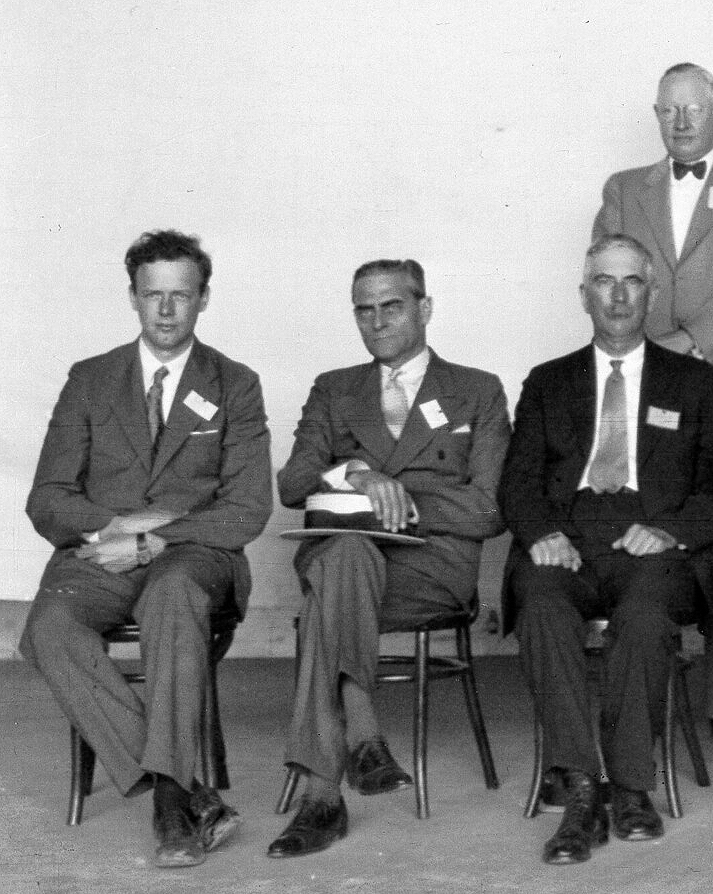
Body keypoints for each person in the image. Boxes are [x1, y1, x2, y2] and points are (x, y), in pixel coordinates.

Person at [22, 230, 271, 868]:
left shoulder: (235, 383)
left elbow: (246, 510)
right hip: (101, 556)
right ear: (133, 298)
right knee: (49, 629)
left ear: (204, 299)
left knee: (172, 593)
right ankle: (189, 789)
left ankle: (168, 805)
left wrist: (156, 539)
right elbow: (47, 497)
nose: (165, 311)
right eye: (152, 295)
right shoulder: (90, 379)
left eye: (180, 297)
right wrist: (120, 532)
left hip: (193, 555)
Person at [499, 234, 713, 865]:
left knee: (645, 614)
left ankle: (630, 785)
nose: (620, 294)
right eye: (605, 281)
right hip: (564, 540)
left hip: (650, 542)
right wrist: (541, 535)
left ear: (652, 293)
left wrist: (671, 531)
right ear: (584, 295)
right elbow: (516, 483)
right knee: (542, 607)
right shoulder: (548, 382)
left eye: (633, 281)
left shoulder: (693, 381)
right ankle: (579, 787)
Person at [267, 259, 510, 858]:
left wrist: (398, 501)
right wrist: (358, 472)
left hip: (429, 567)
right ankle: (357, 751)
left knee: (334, 585)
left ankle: (325, 792)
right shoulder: (334, 387)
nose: (376, 322)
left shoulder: (477, 390)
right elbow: (293, 482)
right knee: (346, 556)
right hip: (345, 559)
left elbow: (489, 511)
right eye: (363, 309)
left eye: (391, 306)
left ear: (425, 308)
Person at [593, 62, 713, 747]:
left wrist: (688, 348)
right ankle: (640, 675)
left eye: (693, 109)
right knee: (649, 512)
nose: (681, 122)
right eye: (668, 110)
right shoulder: (623, 191)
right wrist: (653, 358)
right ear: (656, 114)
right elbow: (606, 269)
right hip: (640, 382)